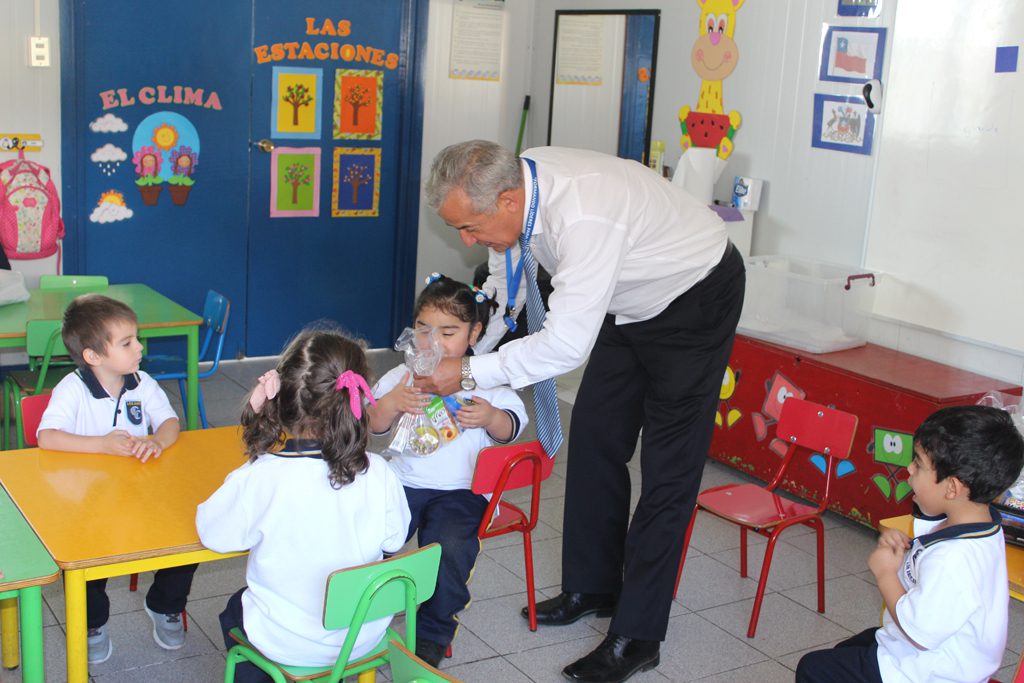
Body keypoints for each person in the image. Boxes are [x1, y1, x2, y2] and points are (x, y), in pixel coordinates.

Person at [417, 140, 745, 683]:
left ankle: (639, 635)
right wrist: (464, 351)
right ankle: (594, 587)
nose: (466, 241)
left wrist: (470, 373)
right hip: (624, 296)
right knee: (594, 439)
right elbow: (503, 284)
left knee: (668, 470)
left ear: (507, 201)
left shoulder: (584, 215)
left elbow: (565, 345)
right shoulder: (516, 187)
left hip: (694, 295)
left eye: (470, 228)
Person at [196, 328, 410, 683]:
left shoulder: (261, 477)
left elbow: (213, 533)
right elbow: (394, 540)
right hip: (362, 637)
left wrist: (255, 442)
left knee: (234, 610)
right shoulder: (379, 472)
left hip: (289, 644)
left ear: (282, 399)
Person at [797, 405, 1024, 683]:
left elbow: (919, 632)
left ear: (952, 488)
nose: (909, 468)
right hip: (935, 655)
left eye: (918, 464)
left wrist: (885, 573)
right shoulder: (982, 524)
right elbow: (931, 573)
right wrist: (903, 551)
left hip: (927, 672)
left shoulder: (953, 559)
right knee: (847, 650)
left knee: (813, 669)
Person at [368, 274, 528, 666]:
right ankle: (362, 616)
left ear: (474, 333)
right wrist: (391, 403)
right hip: (401, 482)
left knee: (451, 551)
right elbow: (373, 425)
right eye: (423, 330)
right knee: (366, 540)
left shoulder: (487, 380)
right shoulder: (402, 377)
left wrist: (490, 417)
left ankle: (432, 633)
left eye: (448, 332)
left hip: (463, 490)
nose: (433, 341)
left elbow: (513, 426)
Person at [36, 293, 187, 665]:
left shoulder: (141, 382)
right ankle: (92, 624)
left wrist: (157, 441)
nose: (140, 348)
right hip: (88, 503)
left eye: (137, 339)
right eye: (127, 342)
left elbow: (169, 422)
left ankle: (165, 604)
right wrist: (101, 445)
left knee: (190, 534)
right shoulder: (73, 388)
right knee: (85, 558)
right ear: (93, 356)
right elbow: (47, 437)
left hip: (140, 496)